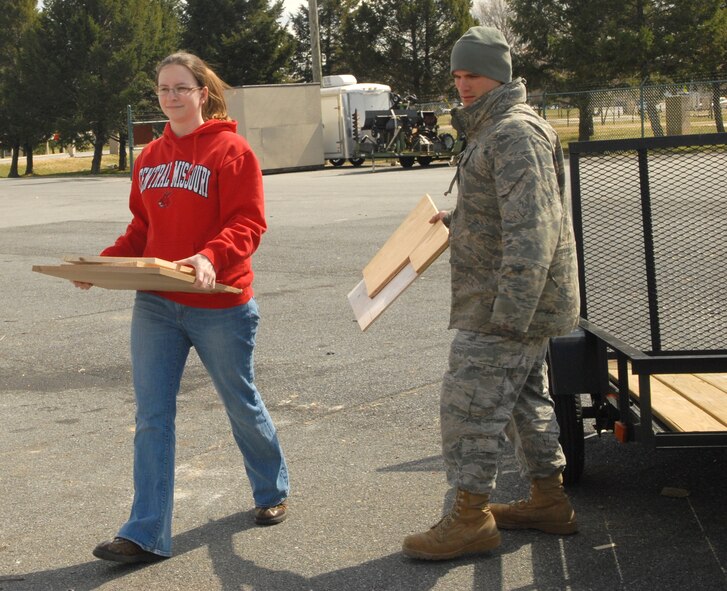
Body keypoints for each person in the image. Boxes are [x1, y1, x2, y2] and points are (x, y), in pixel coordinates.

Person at [75, 51, 289, 564]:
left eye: (181, 88)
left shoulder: (231, 151)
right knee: (152, 416)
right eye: (163, 89)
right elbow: (141, 232)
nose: (171, 97)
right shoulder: (148, 156)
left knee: (240, 401)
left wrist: (211, 256)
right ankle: (144, 533)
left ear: (202, 93)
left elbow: (248, 224)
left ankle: (271, 490)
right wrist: (100, 266)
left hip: (220, 303)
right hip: (156, 304)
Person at [402, 27, 580, 561]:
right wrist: (459, 220)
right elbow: (505, 213)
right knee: (526, 401)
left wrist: (510, 314)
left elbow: (535, 229)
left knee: (469, 405)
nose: (463, 85)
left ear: (498, 74)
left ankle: (469, 519)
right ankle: (549, 500)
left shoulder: (513, 133)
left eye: (472, 74)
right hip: (511, 302)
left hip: (507, 307)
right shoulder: (495, 129)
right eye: (457, 75)